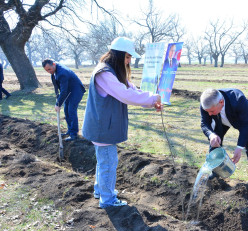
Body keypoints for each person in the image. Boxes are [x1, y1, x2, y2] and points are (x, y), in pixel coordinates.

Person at [81, 37, 162, 208]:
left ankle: (100, 191)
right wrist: (153, 98)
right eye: (127, 57)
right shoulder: (105, 73)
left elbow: (131, 89)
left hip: (102, 126)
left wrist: (151, 101)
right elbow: (125, 94)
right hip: (103, 128)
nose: (129, 61)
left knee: (104, 161)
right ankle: (108, 200)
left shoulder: (111, 71)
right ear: (118, 55)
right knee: (108, 163)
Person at [200, 88, 248, 185]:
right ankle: (215, 171)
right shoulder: (206, 102)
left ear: (221, 102)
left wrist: (239, 147)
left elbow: (246, 125)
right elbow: (204, 123)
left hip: (241, 119)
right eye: (207, 111)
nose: (209, 114)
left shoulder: (238, 99)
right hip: (221, 121)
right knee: (215, 142)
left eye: (211, 111)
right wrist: (211, 135)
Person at [42, 59, 86, 141]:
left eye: (49, 69)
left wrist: (58, 104)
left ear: (54, 64)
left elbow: (64, 91)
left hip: (76, 91)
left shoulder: (62, 73)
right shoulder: (54, 71)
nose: (48, 71)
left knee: (71, 110)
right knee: (66, 110)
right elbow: (56, 87)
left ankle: (74, 134)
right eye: (46, 70)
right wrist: (57, 99)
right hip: (69, 91)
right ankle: (69, 130)